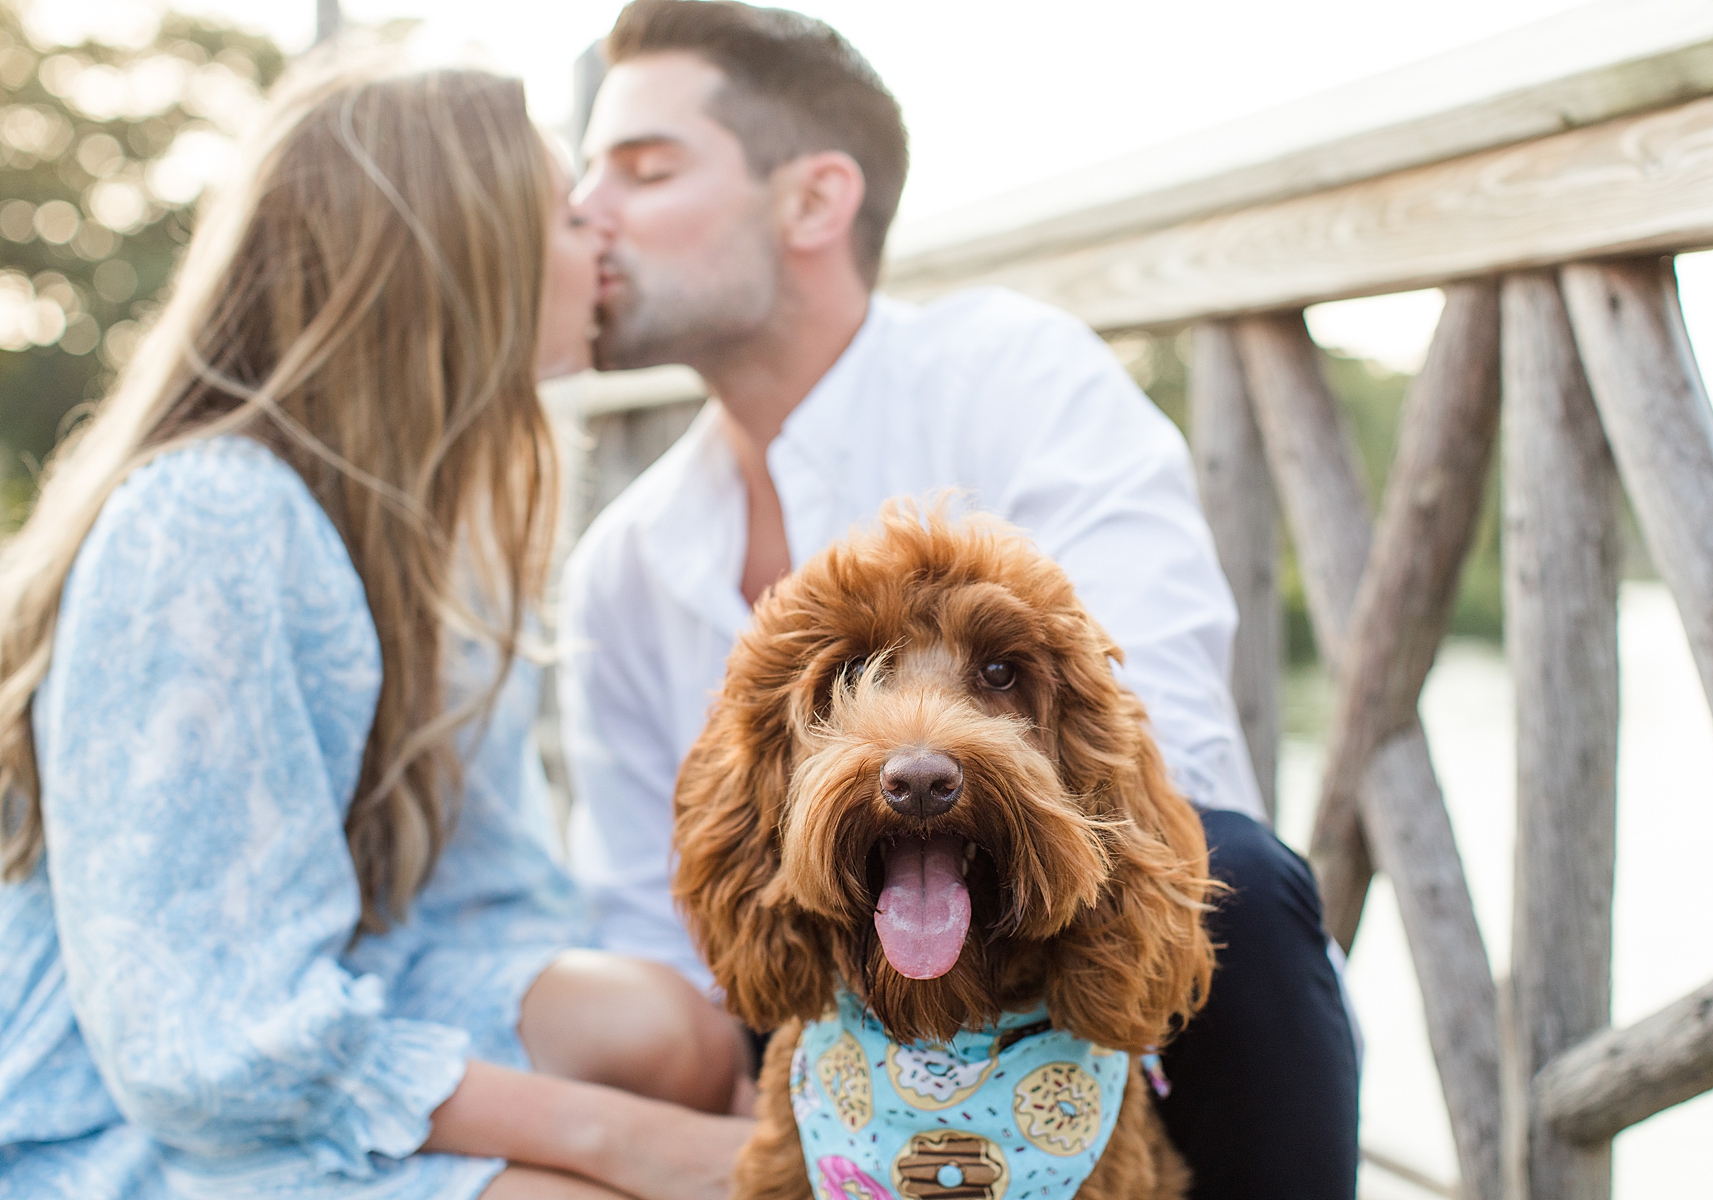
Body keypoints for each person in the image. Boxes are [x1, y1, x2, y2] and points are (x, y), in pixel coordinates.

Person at [556, 4, 1360, 1198]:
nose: (585, 212)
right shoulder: (620, 562)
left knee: (1232, 870)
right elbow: (652, 926)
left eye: (645, 167)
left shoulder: (1018, 378)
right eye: (583, 174)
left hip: (1089, 1004)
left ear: (815, 201)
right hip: (815, 1045)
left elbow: (1149, 760)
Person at [0, 59, 753, 1200]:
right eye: (559, 211)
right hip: (127, 1103)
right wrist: (620, 1140)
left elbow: (495, 899)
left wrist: (762, 1122)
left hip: (356, 994)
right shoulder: (206, 516)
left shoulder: (451, 531)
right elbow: (203, 1049)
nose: (599, 231)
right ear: (461, 257)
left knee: (672, 1032)